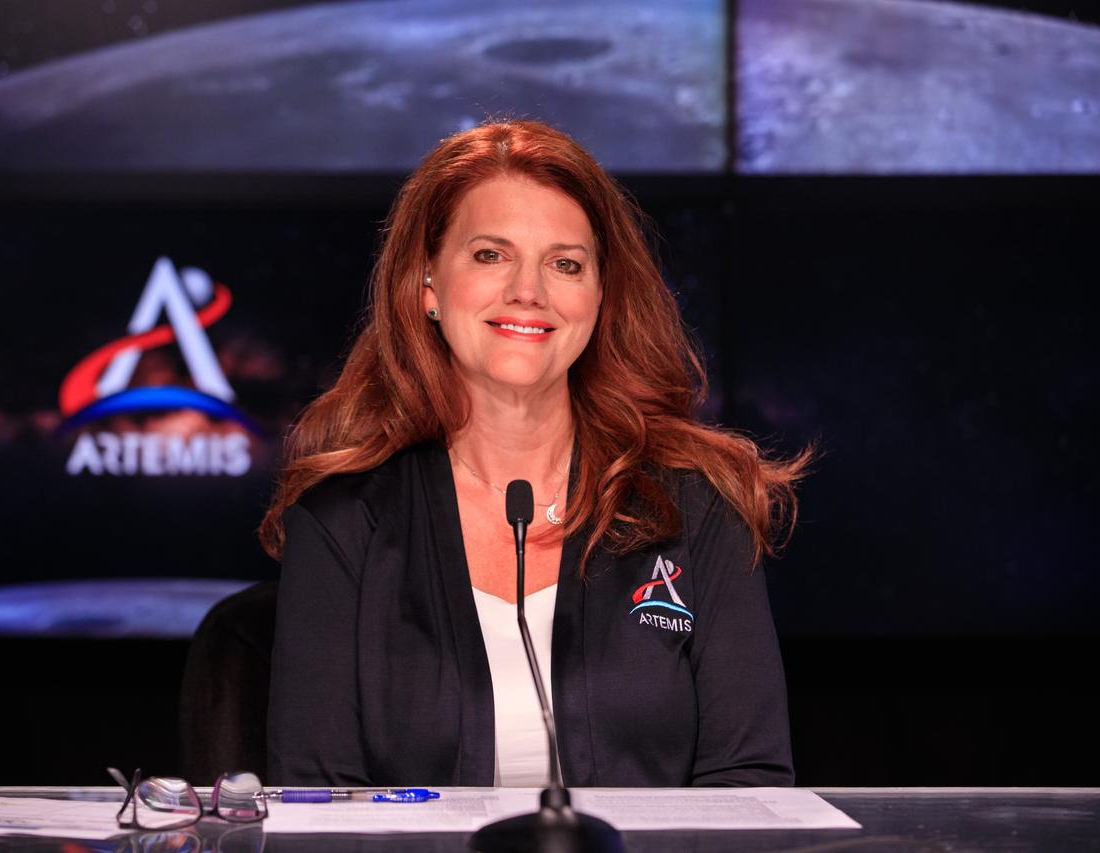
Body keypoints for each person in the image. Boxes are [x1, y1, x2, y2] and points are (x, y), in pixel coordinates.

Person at [260, 119, 808, 788]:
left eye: (564, 263)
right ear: (427, 283)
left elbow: (749, 782)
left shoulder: (697, 505)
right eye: (491, 255)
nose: (529, 290)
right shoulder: (342, 521)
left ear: (599, 296)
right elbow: (315, 802)